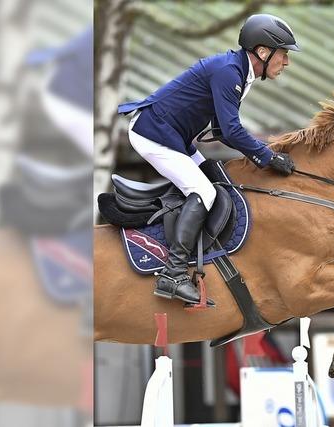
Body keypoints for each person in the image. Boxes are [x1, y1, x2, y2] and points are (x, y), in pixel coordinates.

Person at [117, 14, 299, 304]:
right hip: (153, 133)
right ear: (263, 52)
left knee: (216, 179)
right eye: (284, 53)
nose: (287, 62)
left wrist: (266, 153)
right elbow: (231, 129)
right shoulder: (229, 72)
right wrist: (267, 156)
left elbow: (220, 131)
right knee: (203, 191)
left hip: (172, 135)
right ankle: (173, 274)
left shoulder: (238, 71)